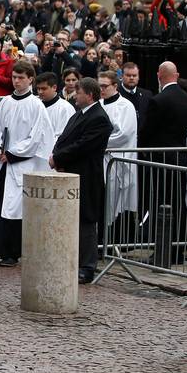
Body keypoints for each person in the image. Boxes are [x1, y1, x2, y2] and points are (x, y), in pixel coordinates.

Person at [0, 61, 54, 267]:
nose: (17, 81)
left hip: (23, 164)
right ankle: (1, 250)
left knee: (17, 211)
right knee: (0, 208)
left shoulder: (36, 105)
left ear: (30, 80)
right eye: (15, 77)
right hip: (4, 164)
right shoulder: (5, 102)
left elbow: (37, 137)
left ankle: (13, 252)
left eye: (21, 78)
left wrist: (13, 153)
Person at [50, 79, 112, 283]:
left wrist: (59, 157)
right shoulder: (79, 114)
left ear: (90, 95)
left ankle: (87, 266)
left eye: (79, 92)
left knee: (86, 221)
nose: (75, 95)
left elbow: (83, 145)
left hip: (87, 177)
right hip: (69, 173)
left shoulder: (99, 119)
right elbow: (65, 138)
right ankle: (70, 260)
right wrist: (57, 155)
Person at [137, 62, 187, 264]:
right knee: (178, 204)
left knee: (162, 205)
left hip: (160, 158)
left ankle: (164, 253)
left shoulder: (159, 100)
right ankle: (176, 250)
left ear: (159, 75)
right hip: (178, 157)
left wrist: (141, 148)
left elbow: (147, 130)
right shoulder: (185, 99)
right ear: (176, 75)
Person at [98, 71, 138, 227]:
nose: (101, 89)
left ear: (115, 86)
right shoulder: (99, 105)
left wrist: (97, 143)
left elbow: (123, 134)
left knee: (117, 200)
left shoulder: (125, 106)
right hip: (100, 160)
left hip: (119, 159)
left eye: (104, 86)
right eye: (99, 86)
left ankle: (115, 238)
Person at [37, 72, 74, 142]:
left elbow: (64, 135)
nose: (40, 92)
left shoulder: (65, 108)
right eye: (38, 89)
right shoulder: (35, 104)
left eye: (44, 88)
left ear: (54, 87)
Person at [118, 62, 152, 130]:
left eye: (134, 75)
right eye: (128, 75)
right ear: (121, 76)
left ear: (138, 77)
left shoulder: (147, 95)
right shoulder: (115, 94)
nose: (131, 78)